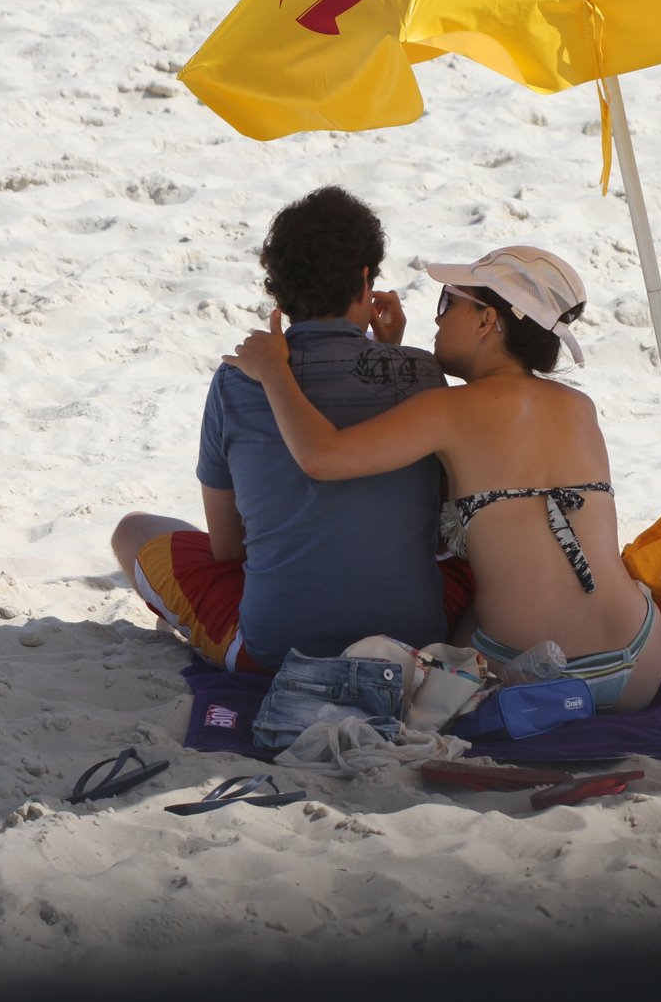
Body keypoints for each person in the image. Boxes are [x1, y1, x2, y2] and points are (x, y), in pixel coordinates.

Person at [221, 245, 661, 713]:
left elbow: (322, 456)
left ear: (486, 320)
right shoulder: (579, 407)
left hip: (523, 673)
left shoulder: (449, 410)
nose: (437, 319)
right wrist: (391, 353)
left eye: (448, 302)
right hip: (638, 662)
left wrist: (273, 371)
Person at [110, 186, 452, 673]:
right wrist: (391, 353)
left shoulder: (235, 381)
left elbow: (227, 548)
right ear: (364, 280)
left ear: (280, 290)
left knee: (134, 530)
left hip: (276, 650)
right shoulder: (423, 373)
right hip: (415, 640)